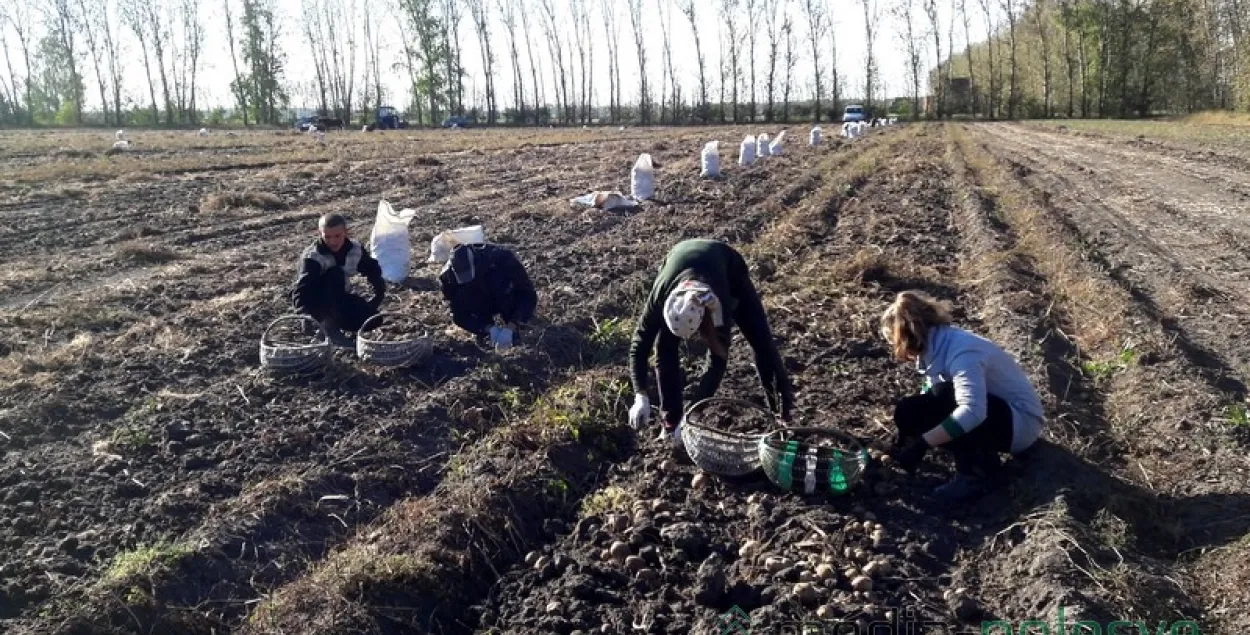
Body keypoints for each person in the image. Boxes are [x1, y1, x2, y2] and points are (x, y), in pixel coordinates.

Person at [880, 290, 1045, 502]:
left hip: (1021, 424)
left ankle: (976, 473)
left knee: (944, 397)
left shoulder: (963, 352)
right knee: (912, 408)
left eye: (893, 343)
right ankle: (977, 456)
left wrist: (923, 443)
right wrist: (907, 436)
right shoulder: (938, 345)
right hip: (999, 414)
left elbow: (973, 411)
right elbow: (929, 395)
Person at [628, 238, 795, 447]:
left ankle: (782, 414)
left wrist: (693, 414)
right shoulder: (661, 297)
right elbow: (639, 345)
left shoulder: (718, 307)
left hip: (728, 267)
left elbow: (718, 359)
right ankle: (670, 423)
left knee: (760, 340)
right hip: (677, 259)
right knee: (664, 346)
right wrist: (640, 395)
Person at [291, 213, 387, 347]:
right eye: (327, 237)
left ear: (346, 232)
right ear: (320, 233)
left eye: (337, 236)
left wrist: (378, 295)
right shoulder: (313, 257)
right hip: (316, 303)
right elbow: (302, 290)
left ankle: (339, 328)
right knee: (335, 274)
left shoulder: (355, 250)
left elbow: (372, 269)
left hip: (339, 298)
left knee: (373, 319)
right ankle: (328, 328)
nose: (332, 242)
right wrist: (305, 316)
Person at [437, 242, 537, 349]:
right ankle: (487, 329)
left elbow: (528, 294)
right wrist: (487, 328)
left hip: (503, 296)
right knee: (465, 300)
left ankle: (513, 325)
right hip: (479, 303)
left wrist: (512, 325)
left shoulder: (501, 259)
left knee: (508, 299)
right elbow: (459, 315)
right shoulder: (448, 279)